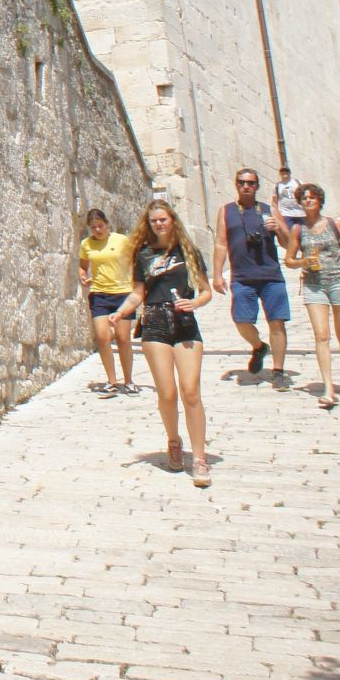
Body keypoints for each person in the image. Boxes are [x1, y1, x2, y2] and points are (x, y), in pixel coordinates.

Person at [112, 199, 215, 486]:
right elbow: (137, 294)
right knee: (167, 393)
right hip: (155, 322)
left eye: (163, 219)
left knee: (191, 390)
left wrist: (193, 302)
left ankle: (199, 457)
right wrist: (121, 312)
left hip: (184, 323)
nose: (159, 224)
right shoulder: (143, 256)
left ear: (172, 221)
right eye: (154, 220)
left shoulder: (189, 253)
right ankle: (173, 440)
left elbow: (206, 292)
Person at [283, 182, 340, 407]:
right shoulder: (298, 229)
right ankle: (328, 388)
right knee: (321, 336)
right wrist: (304, 262)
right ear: (300, 203)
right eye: (304, 198)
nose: (308, 201)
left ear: (320, 200)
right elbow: (289, 260)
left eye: (312, 197)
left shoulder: (335, 224)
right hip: (314, 286)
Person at [214, 166, 290, 387]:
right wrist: (217, 274)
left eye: (250, 183)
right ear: (236, 184)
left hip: (271, 275)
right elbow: (221, 242)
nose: (246, 186)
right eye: (242, 182)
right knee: (241, 321)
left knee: (277, 323)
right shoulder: (226, 211)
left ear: (257, 186)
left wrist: (279, 229)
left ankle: (278, 371)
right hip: (242, 276)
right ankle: (259, 346)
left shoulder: (269, 210)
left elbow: (287, 244)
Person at [77, 208, 136, 394]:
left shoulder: (121, 240)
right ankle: (112, 380)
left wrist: (136, 285)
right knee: (102, 337)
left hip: (122, 293)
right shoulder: (86, 244)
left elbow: (133, 261)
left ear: (107, 224)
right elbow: (83, 265)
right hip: (99, 294)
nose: (98, 230)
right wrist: (83, 276)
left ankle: (128, 380)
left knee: (123, 338)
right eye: (94, 227)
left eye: (101, 226)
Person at [273, 165, 305, 232]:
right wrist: (277, 215)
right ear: (280, 174)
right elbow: (274, 202)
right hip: (286, 214)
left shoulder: (298, 182)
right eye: (282, 171)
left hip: (301, 213)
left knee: (303, 234)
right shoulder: (277, 185)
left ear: (289, 172)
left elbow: (305, 195)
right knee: (291, 234)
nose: (284, 172)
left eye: (286, 171)